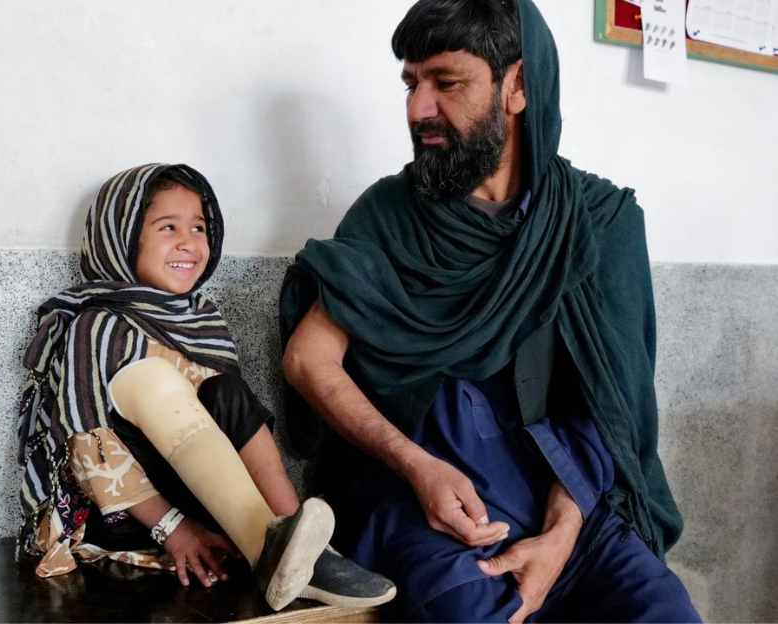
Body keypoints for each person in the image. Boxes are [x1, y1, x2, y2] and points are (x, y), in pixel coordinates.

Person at [279, 1, 701, 622]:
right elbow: (308, 359)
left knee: (664, 611)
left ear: (519, 86)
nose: (419, 109)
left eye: (446, 83)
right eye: (410, 84)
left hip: (568, 495)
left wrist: (562, 533)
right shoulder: (390, 216)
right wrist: (416, 466)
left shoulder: (597, 222)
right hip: (426, 500)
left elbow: (613, 405)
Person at [16, 163, 395, 611]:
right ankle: (269, 550)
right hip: (126, 513)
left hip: (202, 495)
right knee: (154, 378)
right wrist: (173, 528)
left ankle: (300, 542)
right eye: (166, 227)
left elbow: (226, 428)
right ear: (121, 238)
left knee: (227, 391)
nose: (188, 242)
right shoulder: (96, 323)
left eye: (199, 227)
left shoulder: (201, 316)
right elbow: (86, 447)